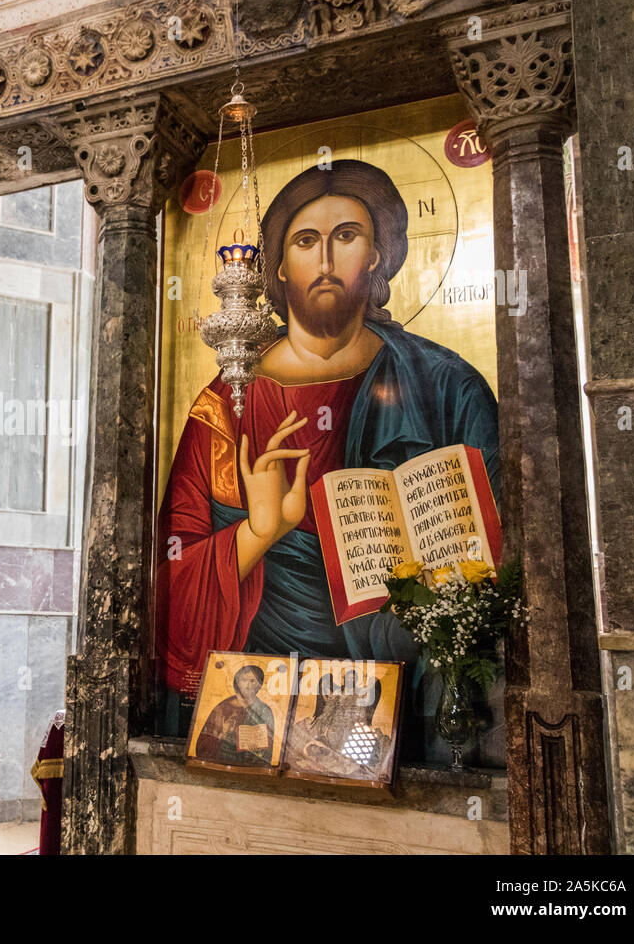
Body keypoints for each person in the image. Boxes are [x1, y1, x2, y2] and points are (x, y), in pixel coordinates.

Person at [156, 160, 499, 735]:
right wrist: (258, 533)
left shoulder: (446, 387)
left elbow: (491, 563)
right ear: (279, 268)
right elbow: (174, 575)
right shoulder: (224, 408)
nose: (324, 260)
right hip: (260, 694)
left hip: (398, 696)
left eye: (346, 237)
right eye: (305, 241)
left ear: (378, 255)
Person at [194, 664, 274, 766]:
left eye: (252, 681)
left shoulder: (264, 711)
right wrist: (223, 734)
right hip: (220, 763)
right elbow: (203, 743)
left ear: (259, 684)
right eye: (244, 680)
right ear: (237, 683)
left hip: (249, 767)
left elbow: (267, 748)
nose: (248, 685)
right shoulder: (222, 707)